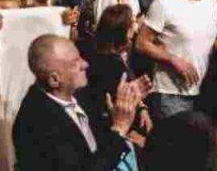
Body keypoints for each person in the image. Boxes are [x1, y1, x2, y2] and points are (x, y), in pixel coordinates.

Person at [12, 34, 144, 171]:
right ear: (54, 80)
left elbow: (94, 138)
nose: (85, 64)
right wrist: (120, 128)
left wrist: (121, 113)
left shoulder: (77, 94)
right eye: (75, 63)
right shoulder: (37, 124)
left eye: (80, 57)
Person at [137, 0, 217, 120]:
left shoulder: (212, 4)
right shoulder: (164, 2)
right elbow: (141, 43)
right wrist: (173, 60)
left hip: (202, 92)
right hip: (171, 93)